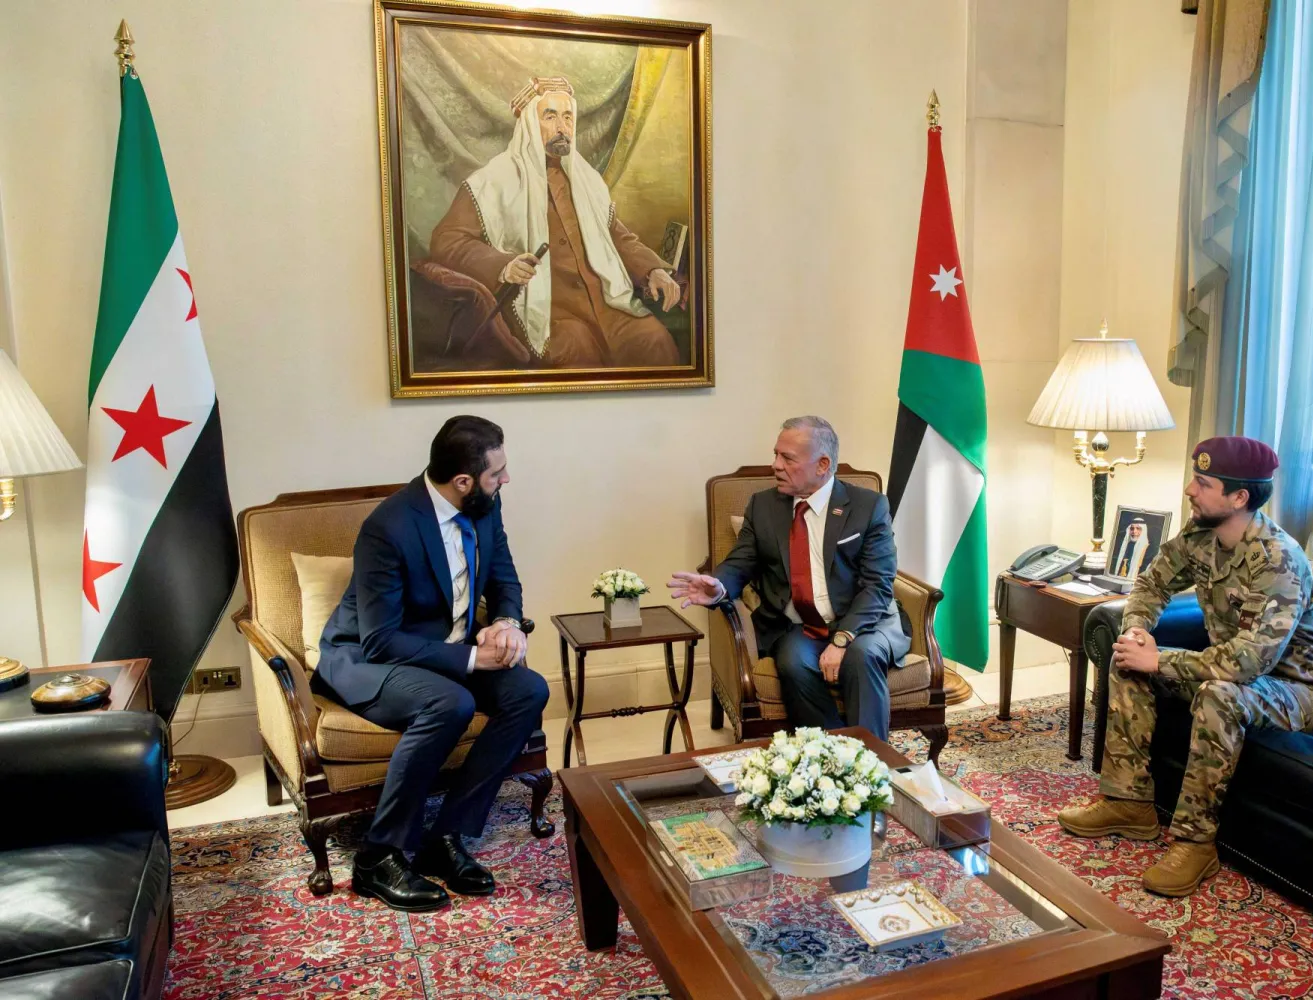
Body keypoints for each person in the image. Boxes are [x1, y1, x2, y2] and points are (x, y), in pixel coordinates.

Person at [1057, 436, 1313, 897]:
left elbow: (1248, 662)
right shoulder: (1202, 533)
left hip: (1298, 690)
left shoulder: (1278, 560)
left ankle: (1195, 843)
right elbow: (1152, 582)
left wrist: (1161, 659)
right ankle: (1128, 802)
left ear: (1239, 497)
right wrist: (1137, 631)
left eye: (1203, 483)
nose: (1190, 489)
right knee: (1129, 661)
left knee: (1216, 695)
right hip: (1237, 674)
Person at [313, 416, 549, 912]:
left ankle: (447, 835)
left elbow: (503, 575)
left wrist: (506, 622)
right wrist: (473, 657)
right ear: (463, 481)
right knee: (449, 703)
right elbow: (380, 640)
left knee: (529, 690)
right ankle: (377, 857)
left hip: (443, 651)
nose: (505, 480)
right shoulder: (389, 528)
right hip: (368, 658)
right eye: (496, 473)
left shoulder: (484, 506)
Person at [668, 417, 910, 739]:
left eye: (787, 458)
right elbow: (741, 562)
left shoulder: (868, 506)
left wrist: (842, 639)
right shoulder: (764, 506)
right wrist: (719, 586)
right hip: (800, 625)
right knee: (793, 663)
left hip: (864, 622)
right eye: (776, 455)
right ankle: (830, 752)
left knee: (862, 657)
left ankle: (874, 759)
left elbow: (877, 584)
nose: (776, 465)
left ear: (823, 464)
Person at [428, 75, 682, 368]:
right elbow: (447, 240)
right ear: (529, 125)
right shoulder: (492, 181)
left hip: (606, 303)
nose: (562, 127)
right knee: (576, 353)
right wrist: (503, 265)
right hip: (544, 311)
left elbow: (616, 235)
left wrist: (652, 270)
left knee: (654, 340)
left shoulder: (586, 179)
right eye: (550, 117)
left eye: (567, 117)